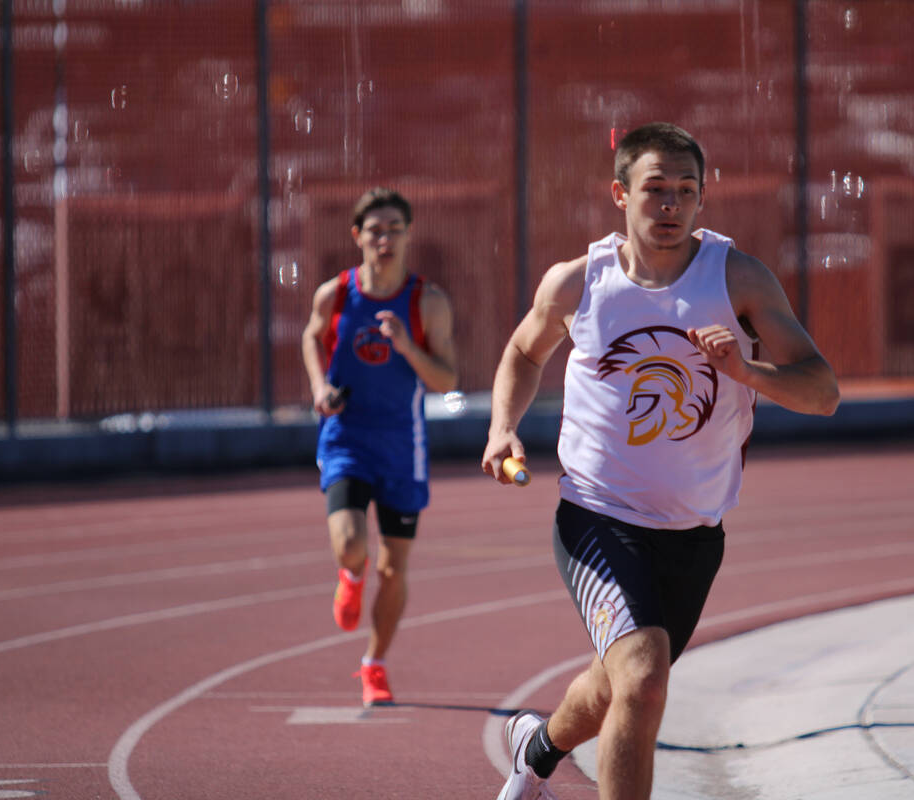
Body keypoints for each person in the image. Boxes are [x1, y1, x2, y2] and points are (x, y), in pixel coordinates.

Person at [481, 122, 840, 800]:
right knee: (644, 677)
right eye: (655, 190)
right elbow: (524, 354)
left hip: (695, 531)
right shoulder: (579, 282)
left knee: (617, 682)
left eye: (685, 191)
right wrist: (504, 428)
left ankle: (538, 748)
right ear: (620, 194)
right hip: (597, 516)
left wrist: (745, 369)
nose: (670, 205)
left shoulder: (735, 278)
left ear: (703, 198)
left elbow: (822, 393)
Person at [301, 187, 458, 706]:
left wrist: (407, 346)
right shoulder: (337, 294)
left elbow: (446, 379)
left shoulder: (426, 302)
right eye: (375, 229)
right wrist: (320, 388)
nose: (384, 238)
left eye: (394, 228)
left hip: (401, 447)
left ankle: (374, 663)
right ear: (358, 236)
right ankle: (349, 573)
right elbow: (311, 335)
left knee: (394, 569)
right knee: (352, 543)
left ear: (408, 235)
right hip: (347, 437)